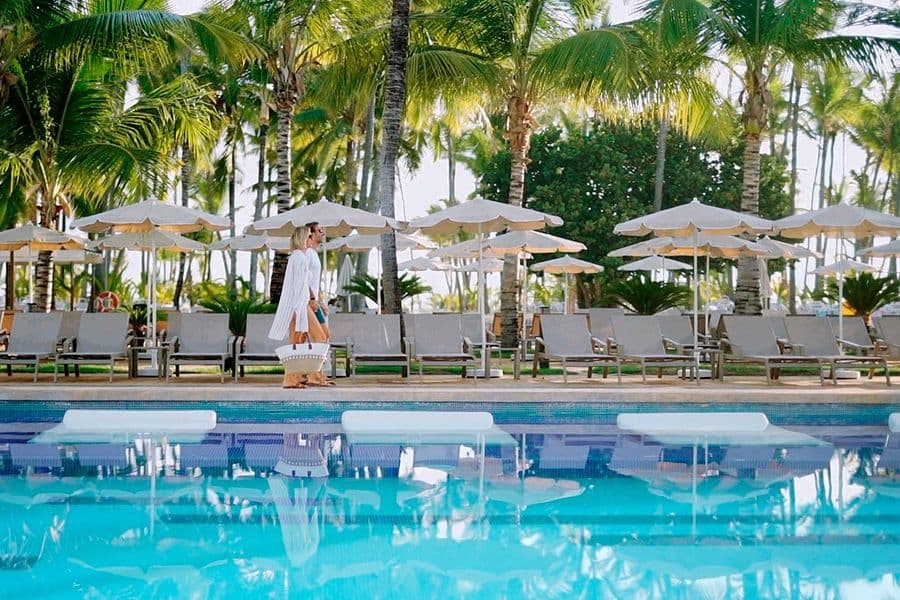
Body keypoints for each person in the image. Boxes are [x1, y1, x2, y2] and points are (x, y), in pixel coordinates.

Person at [268, 227, 310, 388]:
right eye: (307, 237)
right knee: (295, 345)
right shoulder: (300, 258)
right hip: (297, 307)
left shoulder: (296, 257)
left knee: (297, 344)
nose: (309, 241)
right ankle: (289, 379)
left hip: (297, 306)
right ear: (302, 239)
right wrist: (297, 309)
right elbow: (298, 286)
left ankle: (293, 378)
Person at [304, 222, 333, 386]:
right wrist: (312, 300)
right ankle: (314, 375)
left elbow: (314, 282)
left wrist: (321, 301)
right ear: (311, 234)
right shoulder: (307, 253)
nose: (323, 232)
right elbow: (304, 280)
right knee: (319, 337)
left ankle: (317, 373)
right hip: (309, 302)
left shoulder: (314, 254)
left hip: (314, 301)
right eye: (320, 230)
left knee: (324, 336)